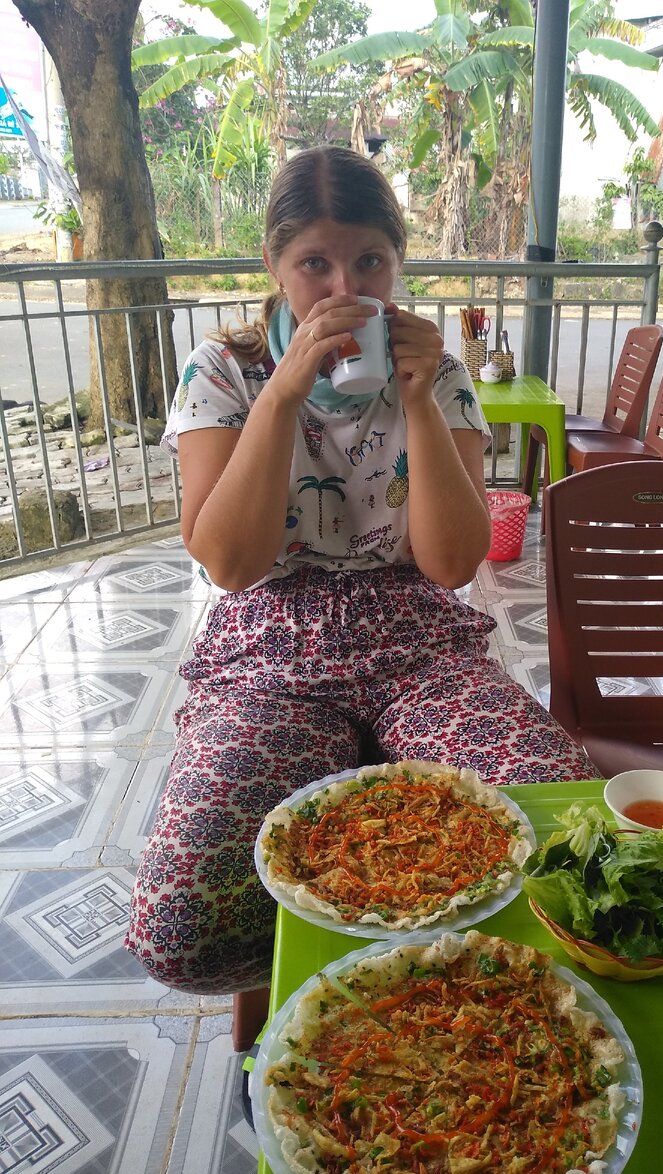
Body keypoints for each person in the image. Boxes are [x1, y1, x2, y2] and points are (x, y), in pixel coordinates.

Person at [125, 145, 595, 997]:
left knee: (566, 826)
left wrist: (418, 398)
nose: (346, 290)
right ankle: (325, 997)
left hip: (415, 643)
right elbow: (231, 563)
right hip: (271, 651)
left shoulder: (439, 376)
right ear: (273, 266)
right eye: (315, 264)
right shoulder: (224, 372)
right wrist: (283, 394)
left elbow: (452, 564)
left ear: (398, 261)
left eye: (370, 260)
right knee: (180, 926)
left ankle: (436, 998)